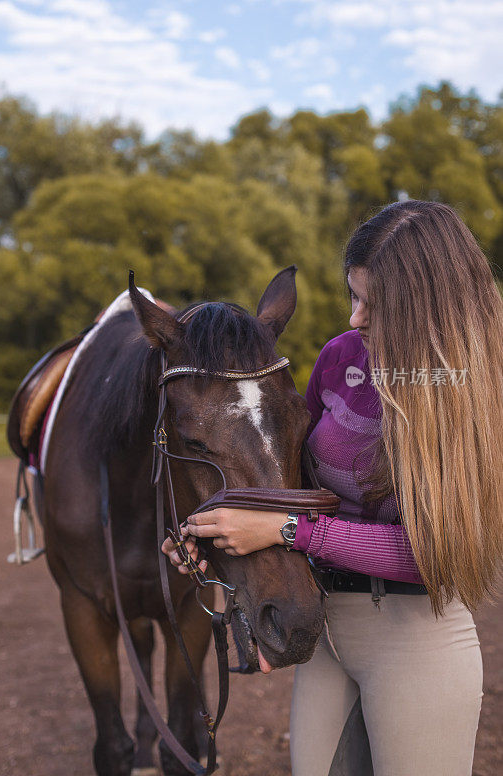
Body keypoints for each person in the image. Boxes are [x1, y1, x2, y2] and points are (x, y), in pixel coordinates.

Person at [162, 200, 503, 776]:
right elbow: (289, 481)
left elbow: (430, 556)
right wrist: (219, 536)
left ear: (431, 308)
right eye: (354, 295)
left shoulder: (476, 395)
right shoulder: (340, 357)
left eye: (376, 302)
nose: (355, 318)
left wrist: (284, 529)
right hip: (325, 633)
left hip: (413, 642)